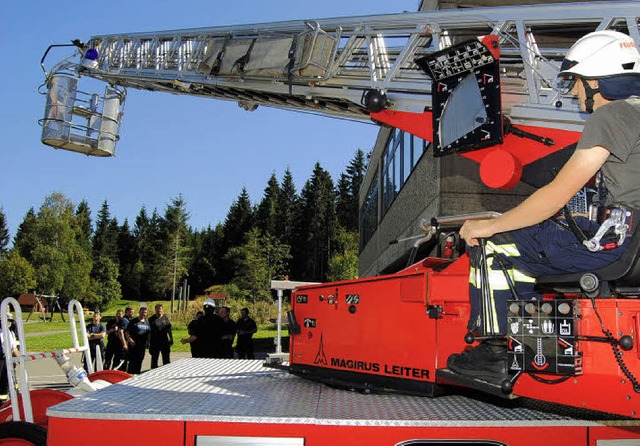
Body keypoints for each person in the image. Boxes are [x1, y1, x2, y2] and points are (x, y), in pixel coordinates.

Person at [447, 30, 640, 381]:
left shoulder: (610, 117)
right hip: (632, 240)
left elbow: (556, 195)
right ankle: (530, 335)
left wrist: (488, 226)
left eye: (577, 83)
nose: (575, 92)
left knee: (495, 246)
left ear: (597, 81)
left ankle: (495, 353)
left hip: (615, 244)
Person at [0, 314, 19, 401]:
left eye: (10, 321)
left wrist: (19, 359)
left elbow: (14, 348)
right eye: (7, 320)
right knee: (3, 382)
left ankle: (15, 398)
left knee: (12, 380)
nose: (9, 323)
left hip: (8, 360)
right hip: (1, 360)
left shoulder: (11, 333)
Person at [125, 307, 150, 374]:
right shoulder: (133, 321)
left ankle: (137, 374)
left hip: (142, 346)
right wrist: (130, 340)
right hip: (134, 346)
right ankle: (130, 376)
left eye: (145, 312)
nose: (143, 314)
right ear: (139, 312)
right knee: (132, 362)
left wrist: (148, 342)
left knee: (139, 361)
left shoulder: (147, 322)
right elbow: (126, 332)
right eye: (142, 312)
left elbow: (149, 333)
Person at [148, 304, 173, 369]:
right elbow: (149, 332)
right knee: (154, 359)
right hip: (154, 342)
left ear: (162, 310)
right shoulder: (151, 319)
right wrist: (148, 342)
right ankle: (153, 372)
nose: (159, 310)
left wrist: (171, 338)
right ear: (155, 310)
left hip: (164, 341)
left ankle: (166, 371)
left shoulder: (165, 318)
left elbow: (169, 329)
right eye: (157, 309)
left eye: (160, 309)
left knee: (166, 359)